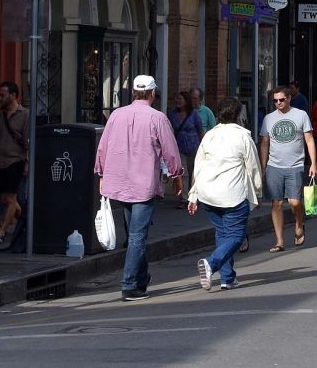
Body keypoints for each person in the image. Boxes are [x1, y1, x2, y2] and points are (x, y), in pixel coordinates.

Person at [96, 75, 184, 301]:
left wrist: (102, 173)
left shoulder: (116, 115)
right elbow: (171, 151)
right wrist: (177, 174)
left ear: (134, 92)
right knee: (137, 236)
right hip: (143, 183)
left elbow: (103, 146)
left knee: (134, 234)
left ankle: (141, 278)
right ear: (153, 94)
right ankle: (129, 284)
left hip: (121, 181)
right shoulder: (158, 118)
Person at [189, 96, 261, 292]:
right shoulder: (243, 136)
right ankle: (211, 264)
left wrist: (193, 194)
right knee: (236, 236)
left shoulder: (209, 136)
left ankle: (227, 278)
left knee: (223, 235)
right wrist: (258, 192)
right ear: (238, 115)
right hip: (232, 194)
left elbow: (198, 166)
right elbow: (253, 167)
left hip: (208, 194)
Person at [259, 85, 317, 253]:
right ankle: (279, 241)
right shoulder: (269, 118)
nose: (278, 103)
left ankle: (299, 223)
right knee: (276, 203)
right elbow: (264, 144)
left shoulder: (301, 115)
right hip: (274, 166)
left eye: (281, 100)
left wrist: (313, 163)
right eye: (275, 101)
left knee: (295, 202)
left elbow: (309, 139)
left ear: (289, 98)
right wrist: (263, 167)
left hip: (295, 165)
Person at [0, 81, 29, 244]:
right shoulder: (0, 116)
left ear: (13, 95)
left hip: (16, 161)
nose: (0, 98)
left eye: (3, 95)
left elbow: (28, 141)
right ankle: (27, 223)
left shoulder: (25, 114)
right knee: (4, 199)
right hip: (0, 162)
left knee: (10, 198)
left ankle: (2, 230)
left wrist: (27, 163)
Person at [169, 91, 204, 204]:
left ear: (186, 101)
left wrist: (204, 147)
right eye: (176, 99)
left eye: (180, 99)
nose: (177, 101)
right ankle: (184, 198)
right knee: (183, 173)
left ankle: (193, 196)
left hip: (194, 148)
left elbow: (200, 131)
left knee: (194, 173)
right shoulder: (173, 114)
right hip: (179, 148)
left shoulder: (194, 114)